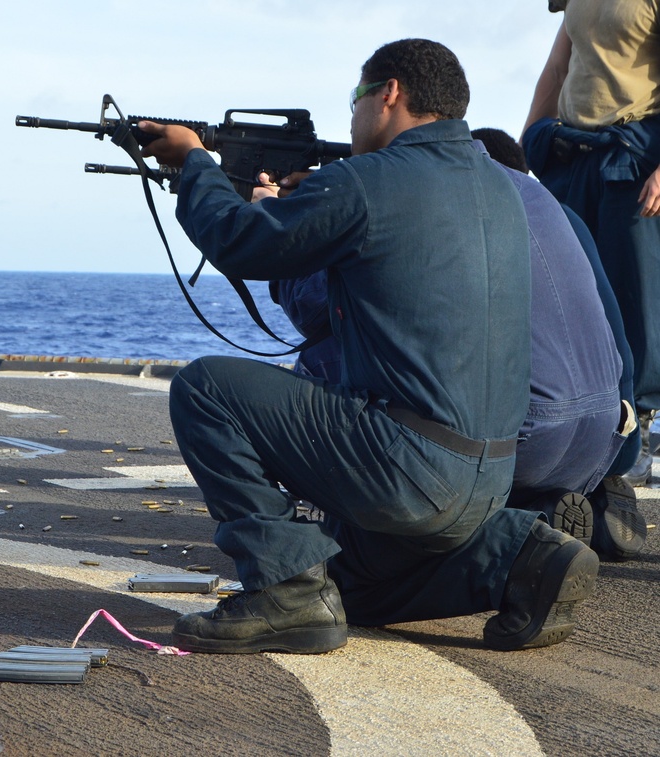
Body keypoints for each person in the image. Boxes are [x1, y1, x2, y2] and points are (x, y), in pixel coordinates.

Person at [138, 38, 599, 655]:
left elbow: (239, 241)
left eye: (356, 98)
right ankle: (518, 556)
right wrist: (317, 199)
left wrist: (194, 163)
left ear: (389, 94)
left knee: (206, 390)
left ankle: (284, 590)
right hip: (490, 480)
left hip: (406, 469)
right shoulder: (501, 187)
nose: (351, 115)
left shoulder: (371, 182)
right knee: (350, 589)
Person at [273, 126, 647, 561]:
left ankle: (510, 529)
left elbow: (316, 309)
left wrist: (286, 228)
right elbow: (616, 336)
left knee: (320, 366)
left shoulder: (454, 206)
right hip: (601, 437)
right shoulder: (558, 212)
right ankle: (557, 506)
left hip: (519, 439)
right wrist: (621, 454)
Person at [522, 0, 660, 488]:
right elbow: (559, 65)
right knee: (566, 288)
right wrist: (523, 151)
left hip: (633, 158)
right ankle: (584, 418)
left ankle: (638, 430)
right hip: (571, 153)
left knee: (635, 298)